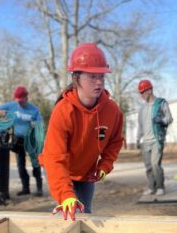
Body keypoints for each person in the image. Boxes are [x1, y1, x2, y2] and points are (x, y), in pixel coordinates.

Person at [39, 43, 123, 220]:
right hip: (63, 172)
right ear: (76, 78)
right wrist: (65, 194)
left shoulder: (112, 110)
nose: (99, 82)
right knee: (69, 216)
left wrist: (105, 164)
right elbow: (54, 157)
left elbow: (115, 140)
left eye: (101, 76)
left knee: (85, 217)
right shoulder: (63, 111)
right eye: (92, 76)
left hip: (86, 175)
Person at [0, 85, 44, 197]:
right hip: (17, 140)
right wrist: (0, 113)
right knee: (20, 165)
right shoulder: (12, 106)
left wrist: (34, 124)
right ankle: (25, 188)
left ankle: (39, 188)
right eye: (18, 101)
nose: (19, 103)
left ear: (26, 98)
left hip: (31, 140)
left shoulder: (34, 109)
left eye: (21, 101)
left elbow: (40, 124)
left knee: (36, 164)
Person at [137, 79, 173, 196]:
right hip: (145, 142)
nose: (141, 95)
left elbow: (169, 118)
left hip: (157, 139)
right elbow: (140, 126)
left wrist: (161, 121)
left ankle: (160, 187)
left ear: (149, 90)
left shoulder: (161, 103)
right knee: (148, 167)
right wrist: (138, 139)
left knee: (155, 164)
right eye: (140, 93)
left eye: (143, 92)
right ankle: (152, 187)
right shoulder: (142, 109)